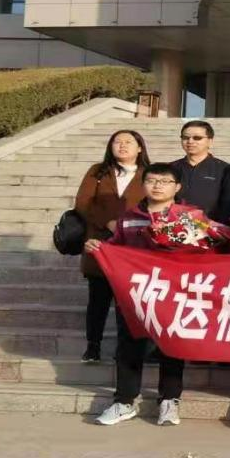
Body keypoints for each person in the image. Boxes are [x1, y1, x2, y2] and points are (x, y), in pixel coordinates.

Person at [87, 163, 216, 427]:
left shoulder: (191, 216)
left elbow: (210, 245)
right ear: (143, 184)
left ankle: (169, 400)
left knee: (172, 345)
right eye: (152, 180)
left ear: (177, 187)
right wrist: (99, 247)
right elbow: (115, 248)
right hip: (135, 293)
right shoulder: (129, 217)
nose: (157, 186)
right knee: (129, 346)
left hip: (174, 293)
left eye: (165, 181)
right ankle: (124, 401)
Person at [73, 129, 150, 363]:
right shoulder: (98, 171)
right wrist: (106, 222)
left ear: (139, 147)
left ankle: (124, 349)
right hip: (100, 242)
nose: (122, 145)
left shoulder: (148, 174)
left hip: (133, 246)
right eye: (117, 141)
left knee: (127, 302)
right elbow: (83, 203)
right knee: (98, 299)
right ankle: (93, 346)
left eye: (128, 142)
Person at [169, 120, 228, 215]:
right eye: (185, 137)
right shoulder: (169, 168)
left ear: (210, 141)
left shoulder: (225, 169)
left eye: (197, 138)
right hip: (174, 222)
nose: (190, 141)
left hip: (211, 223)